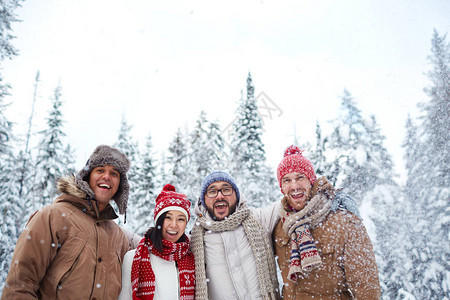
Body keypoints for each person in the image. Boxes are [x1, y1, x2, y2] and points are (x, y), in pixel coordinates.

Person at [2, 145, 132, 299]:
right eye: (100, 170)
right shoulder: (53, 216)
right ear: (87, 176)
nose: (107, 177)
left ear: (120, 186)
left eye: (114, 173)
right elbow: (20, 284)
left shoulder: (118, 237)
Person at [272, 145, 381, 299]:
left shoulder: (343, 222)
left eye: (300, 177)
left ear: (311, 180)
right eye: (287, 180)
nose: (295, 186)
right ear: (282, 187)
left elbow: (367, 289)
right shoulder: (280, 226)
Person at [190, 171, 280, 300]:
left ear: (237, 195)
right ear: (203, 199)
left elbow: (291, 201)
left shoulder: (259, 220)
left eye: (226, 189)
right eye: (212, 191)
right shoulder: (195, 240)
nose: (219, 196)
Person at [119, 184, 195, 300]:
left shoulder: (191, 259)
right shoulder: (134, 258)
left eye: (180, 219)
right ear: (159, 221)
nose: (173, 225)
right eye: (168, 217)